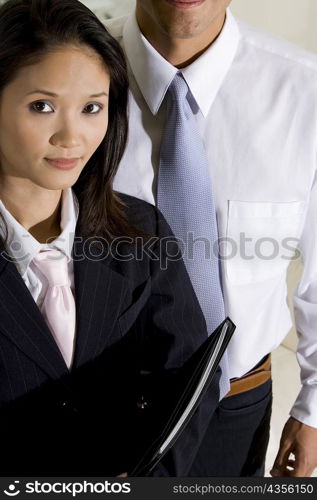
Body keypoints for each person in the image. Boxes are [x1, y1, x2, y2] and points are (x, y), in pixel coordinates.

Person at [0, 0, 222, 477]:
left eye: (91, 108)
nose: (72, 137)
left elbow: (188, 380)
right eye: (42, 106)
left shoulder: (140, 231)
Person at [106, 0, 317, 477]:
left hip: (235, 406)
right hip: (98, 405)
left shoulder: (307, 92)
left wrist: (313, 409)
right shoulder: (63, 75)